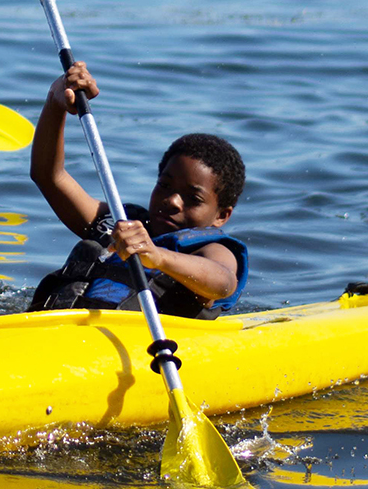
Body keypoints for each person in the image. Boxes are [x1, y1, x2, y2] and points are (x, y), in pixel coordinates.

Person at [27, 61, 248, 318]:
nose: (173, 201)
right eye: (165, 186)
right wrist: (55, 103)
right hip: (54, 332)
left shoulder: (212, 250)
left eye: (193, 198)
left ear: (222, 215)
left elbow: (222, 282)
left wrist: (157, 256)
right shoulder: (119, 224)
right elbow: (48, 176)